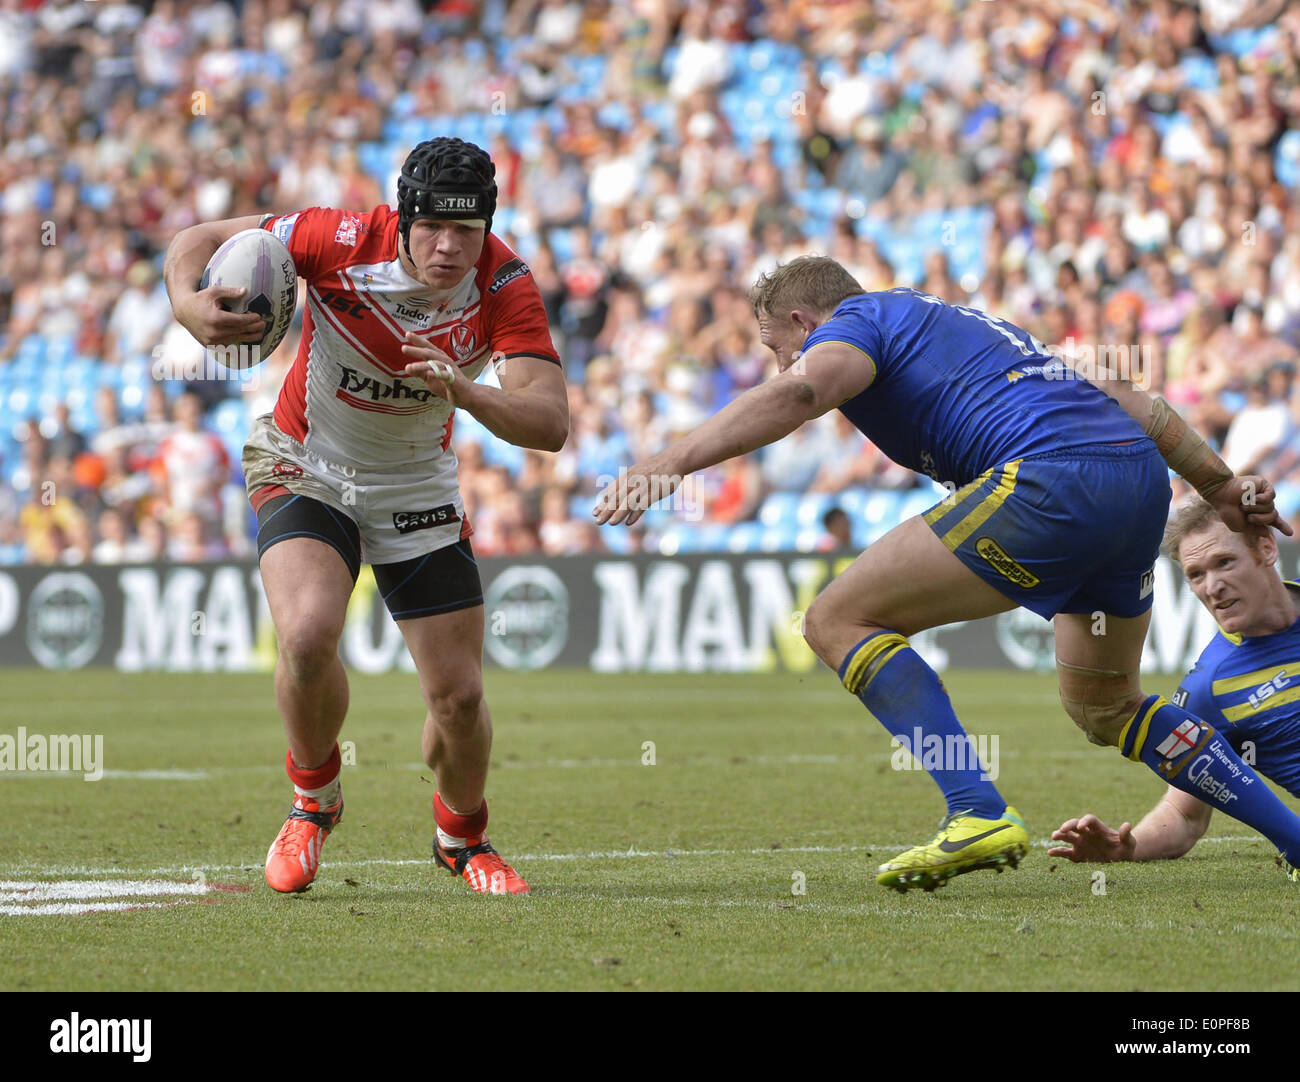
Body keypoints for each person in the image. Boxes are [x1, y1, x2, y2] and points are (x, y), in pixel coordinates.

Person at [595, 255, 1300, 892]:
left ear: (804, 321)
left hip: (1046, 479)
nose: (780, 363)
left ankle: (976, 811)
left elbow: (803, 393)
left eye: (776, 347)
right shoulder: (968, 326)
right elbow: (1130, 398)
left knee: (835, 618)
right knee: (1107, 706)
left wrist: (670, 462)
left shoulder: (857, 321)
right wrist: (1220, 484)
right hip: (1136, 485)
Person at [164, 138, 568, 895]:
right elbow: (197, 240)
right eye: (432, 229)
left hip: (416, 487)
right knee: (309, 635)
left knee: (458, 697)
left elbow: (549, 424)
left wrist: (468, 392)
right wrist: (190, 306)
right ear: (402, 215)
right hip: (304, 464)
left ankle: (461, 837)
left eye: (468, 232)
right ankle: (313, 800)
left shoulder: (506, 283)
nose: (449, 248)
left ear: (488, 226)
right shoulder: (339, 237)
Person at [1050, 500, 1300, 881]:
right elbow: (1184, 815)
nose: (1212, 586)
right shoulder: (1209, 689)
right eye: (1196, 574)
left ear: (1266, 548)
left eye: (1224, 563)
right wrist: (1126, 848)